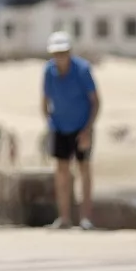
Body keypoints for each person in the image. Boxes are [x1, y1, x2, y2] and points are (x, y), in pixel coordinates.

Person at [41, 32, 100, 229]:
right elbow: (45, 101)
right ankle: (64, 217)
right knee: (62, 172)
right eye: (56, 53)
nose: (60, 57)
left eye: (63, 53)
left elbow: (95, 101)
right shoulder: (48, 72)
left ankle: (86, 217)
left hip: (82, 127)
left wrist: (88, 130)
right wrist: (50, 125)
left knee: (84, 169)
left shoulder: (82, 70)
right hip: (60, 127)